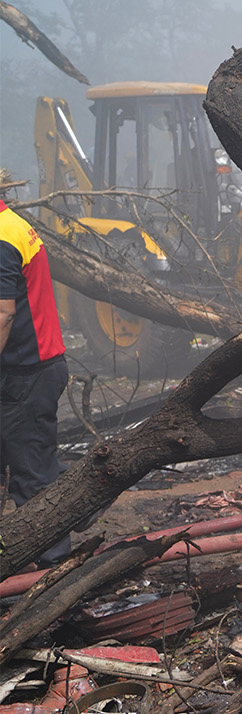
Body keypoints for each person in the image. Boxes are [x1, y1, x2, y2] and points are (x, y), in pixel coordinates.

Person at [0, 191, 71, 566]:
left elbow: (3, 313)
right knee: (30, 465)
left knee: (32, 477)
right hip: (29, 370)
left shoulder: (2, 238)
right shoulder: (12, 225)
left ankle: (53, 570)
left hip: (26, 375)